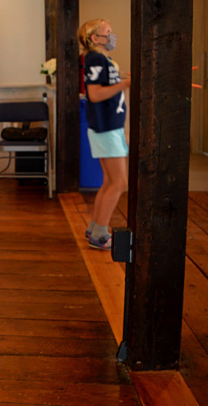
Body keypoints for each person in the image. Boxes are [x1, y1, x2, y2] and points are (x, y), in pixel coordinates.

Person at [78, 19, 131, 250]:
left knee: (109, 181)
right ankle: (100, 235)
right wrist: (126, 83)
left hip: (108, 128)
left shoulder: (101, 60)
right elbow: (95, 94)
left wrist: (121, 80)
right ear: (94, 38)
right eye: (107, 32)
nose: (111, 36)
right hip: (107, 129)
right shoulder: (96, 58)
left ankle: (94, 228)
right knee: (119, 182)